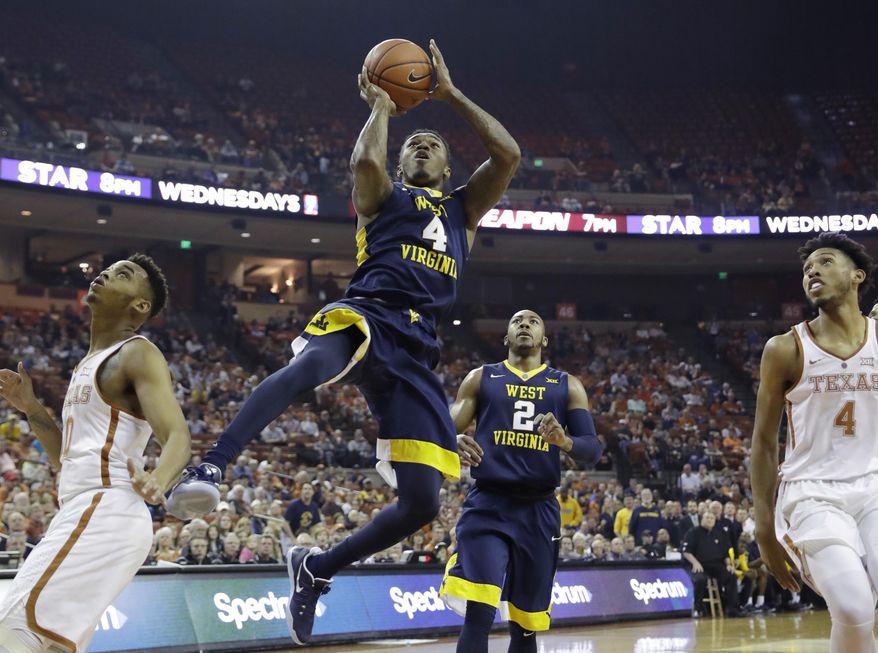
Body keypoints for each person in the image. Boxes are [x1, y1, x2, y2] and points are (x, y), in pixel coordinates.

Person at [167, 39, 520, 646]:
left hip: (418, 350)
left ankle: (315, 569)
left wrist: (450, 95)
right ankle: (213, 463)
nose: (423, 146)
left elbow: (508, 153)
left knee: (420, 504)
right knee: (308, 369)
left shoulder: (463, 210)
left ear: (448, 168)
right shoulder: (385, 197)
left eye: (432, 145)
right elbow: (363, 165)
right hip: (368, 313)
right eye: (415, 143)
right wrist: (382, 108)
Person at [0, 255, 191, 653]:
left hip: (108, 506)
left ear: (139, 306)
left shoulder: (137, 353)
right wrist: (32, 408)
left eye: (122, 274)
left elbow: (177, 436)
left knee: (12, 625)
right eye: (109, 269)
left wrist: (158, 479)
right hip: (86, 508)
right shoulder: (87, 363)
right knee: (51, 645)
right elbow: (65, 459)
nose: (104, 273)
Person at [440, 309, 602, 653]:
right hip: (488, 504)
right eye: (517, 321)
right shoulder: (481, 378)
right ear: (506, 337)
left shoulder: (566, 385)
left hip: (538, 510)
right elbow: (441, 428)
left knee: (525, 626)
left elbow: (593, 449)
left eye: (533, 321)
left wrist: (566, 442)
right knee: (479, 613)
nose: (524, 324)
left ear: (544, 339)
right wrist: (450, 441)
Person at [752, 232, 878, 652]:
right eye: (807, 268)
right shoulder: (785, 348)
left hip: (874, 485)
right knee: (854, 607)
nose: (812, 272)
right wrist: (765, 530)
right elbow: (765, 444)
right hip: (812, 495)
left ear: (857, 275)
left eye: (825, 262)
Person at [682, 511, 741, 617]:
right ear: (702, 519)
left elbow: (725, 553)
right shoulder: (693, 532)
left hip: (716, 565)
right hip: (698, 564)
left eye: (711, 518)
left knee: (731, 576)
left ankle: (733, 609)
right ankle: (698, 609)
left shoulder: (718, 533)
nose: (709, 520)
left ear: (714, 521)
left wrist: (728, 565)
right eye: (707, 517)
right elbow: (686, 551)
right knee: (701, 579)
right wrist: (695, 563)